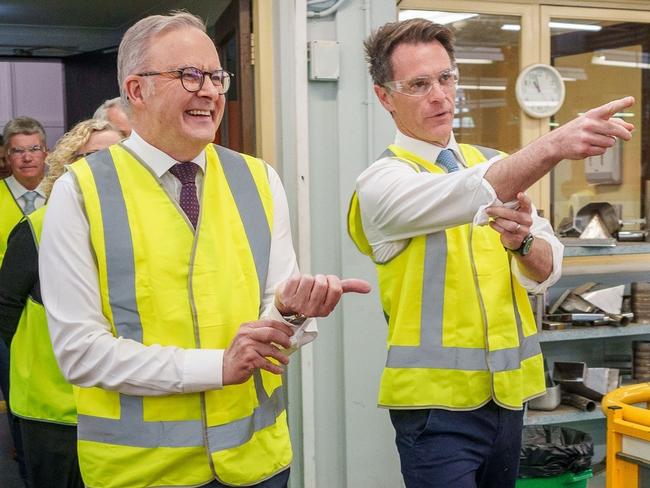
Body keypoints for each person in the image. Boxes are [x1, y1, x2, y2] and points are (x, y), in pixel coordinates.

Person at [40, 12, 370, 488]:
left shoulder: (259, 179)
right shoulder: (81, 191)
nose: (211, 91)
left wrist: (291, 314)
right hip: (142, 473)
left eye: (216, 76)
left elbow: (275, 322)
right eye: (189, 76)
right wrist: (218, 366)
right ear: (136, 90)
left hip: (258, 464)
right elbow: (79, 352)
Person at [347, 18, 634, 488]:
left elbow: (547, 268)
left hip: (508, 403)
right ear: (384, 96)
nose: (439, 95)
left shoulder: (494, 165)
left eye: (446, 77)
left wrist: (521, 242)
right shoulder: (382, 183)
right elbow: (465, 194)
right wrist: (554, 145)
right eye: (418, 84)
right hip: (434, 413)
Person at [0, 119, 124, 488]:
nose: (109, 166)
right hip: (55, 410)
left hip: (126, 404)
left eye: (118, 156)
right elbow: (5, 308)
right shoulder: (38, 228)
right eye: (95, 157)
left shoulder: (141, 230)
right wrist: (33, 360)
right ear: (71, 164)